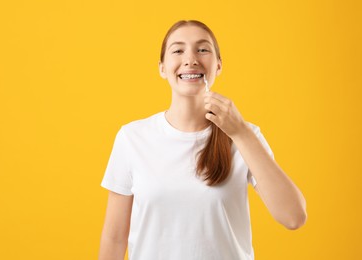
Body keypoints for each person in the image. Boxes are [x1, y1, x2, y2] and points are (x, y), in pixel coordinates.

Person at [98, 20, 307, 260]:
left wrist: (240, 133)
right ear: (162, 68)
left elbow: (293, 217)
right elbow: (114, 238)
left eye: (202, 49)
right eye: (178, 50)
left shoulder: (245, 135)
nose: (191, 59)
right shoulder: (132, 138)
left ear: (218, 66)